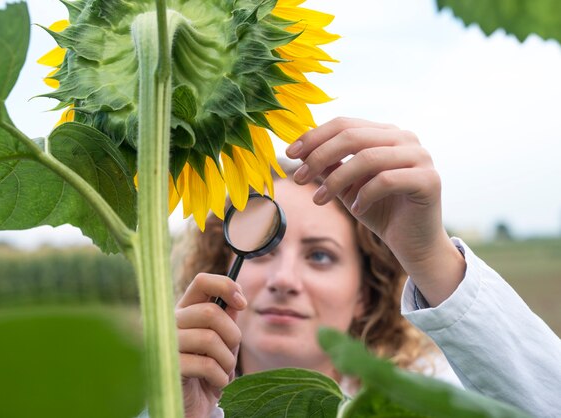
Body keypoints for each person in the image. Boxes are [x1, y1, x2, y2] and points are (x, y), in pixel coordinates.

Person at [174, 117, 561, 418]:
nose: (284, 279)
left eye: (320, 256)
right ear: (220, 268)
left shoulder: (430, 403)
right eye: (262, 251)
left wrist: (430, 257)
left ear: (364, 294)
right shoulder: (164, 404)